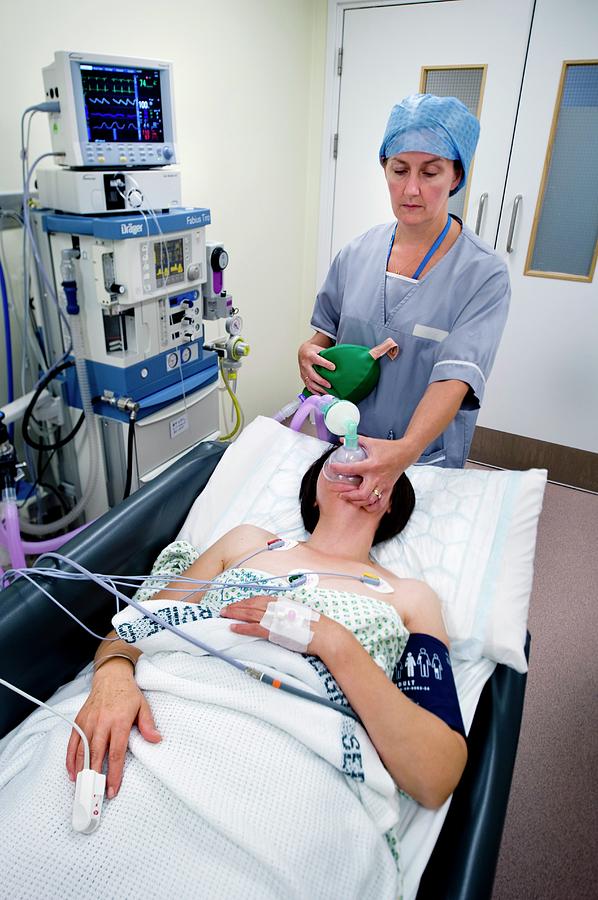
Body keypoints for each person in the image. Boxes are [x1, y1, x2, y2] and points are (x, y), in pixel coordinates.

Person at [0, 450, 467, 898]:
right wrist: (113, 679)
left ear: (389, 500)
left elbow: (434, 773)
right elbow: (135, 628)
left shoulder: (407, 597)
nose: (356, 471)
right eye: (343, 464)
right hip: (159, 717)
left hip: (287, 764)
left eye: (372, 470)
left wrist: (333, 642)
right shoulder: (249, 543)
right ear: (313, 495)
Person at [298, 93, 510, 511]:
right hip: (345, 444)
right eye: (399, 170)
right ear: (385, 170)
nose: (411, 189)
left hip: (420, 459)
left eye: (430, 172)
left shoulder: (483, 274)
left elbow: (456, 378)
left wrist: (407, 450)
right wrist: (309, 353)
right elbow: (324, 336)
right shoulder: (357, 253)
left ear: (456, 176)